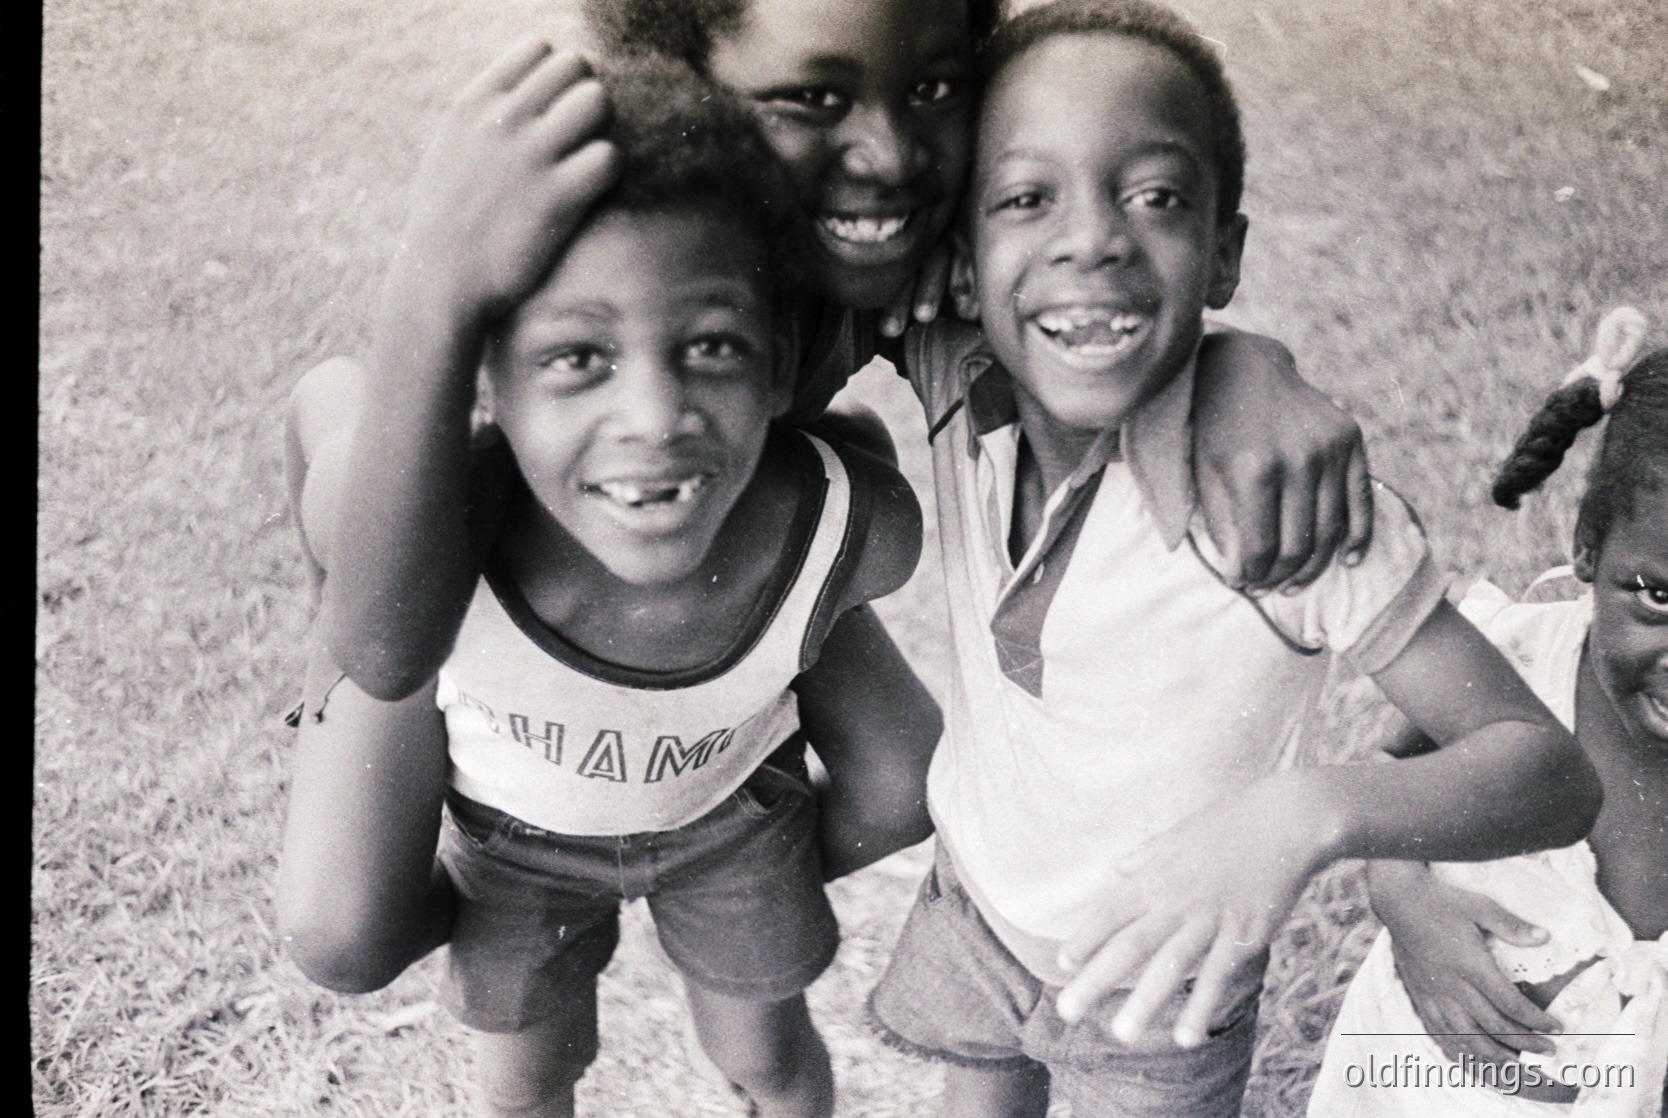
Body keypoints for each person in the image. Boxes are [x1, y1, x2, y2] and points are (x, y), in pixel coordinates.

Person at [861, 3, 1604, 1114]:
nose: (1093, 238)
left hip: (1165, 976)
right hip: (977, 900)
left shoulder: (1285, 512)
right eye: (1025, 198)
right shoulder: (955, 379)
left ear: (1224, 254)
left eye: (1156, 196)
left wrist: (1304, 815)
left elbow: (1548, 772)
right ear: (961, 265)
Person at [278, 54, 942, 1118]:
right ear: (488, 382)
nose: (653, 414)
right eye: (579, 357)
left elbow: (863, 477)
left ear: (778, 363)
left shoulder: (856, 526)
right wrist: (339, 614)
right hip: (516, 849)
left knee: (766, 1060)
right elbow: (326, 451)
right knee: (526, 1082)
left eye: (712, 345)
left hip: (731, 826)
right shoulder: (434, 536)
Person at [1309, 311, 1667, 1118]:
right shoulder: (1519, 663)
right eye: (1658, 596)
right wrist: (1407, 906)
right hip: (1436, 1083)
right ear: (1588, 546)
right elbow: (1388, 773)